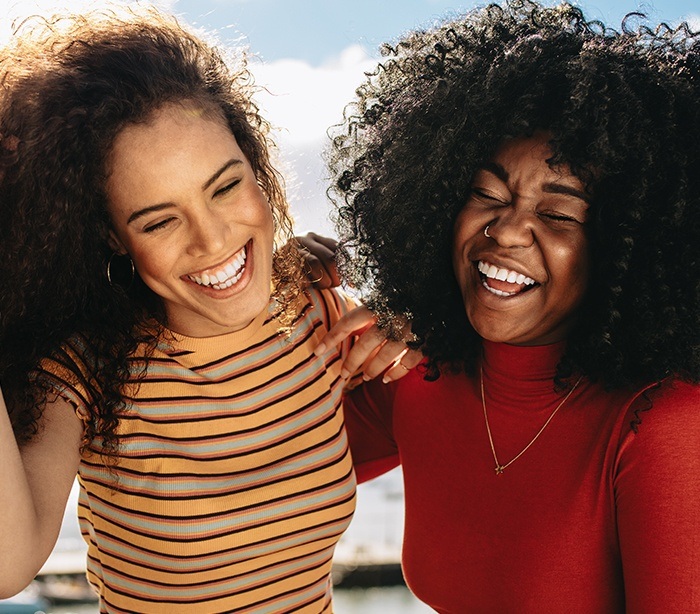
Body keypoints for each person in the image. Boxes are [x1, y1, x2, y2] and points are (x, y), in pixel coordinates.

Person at [0, 7, 417, 612]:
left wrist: (414, 324)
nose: (213, 239)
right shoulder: (82, 371)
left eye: (225, 186)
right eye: (159, 220)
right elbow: (9, 564)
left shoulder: (316, 308)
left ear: (256, 166)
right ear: (113, 236)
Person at [323, 1, 700, 611]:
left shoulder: (664, 424)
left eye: (557, 214)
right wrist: (284, 284)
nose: (507, 230)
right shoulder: (417, 375)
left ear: (629, 243)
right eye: (486, 192)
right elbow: (241, 458)